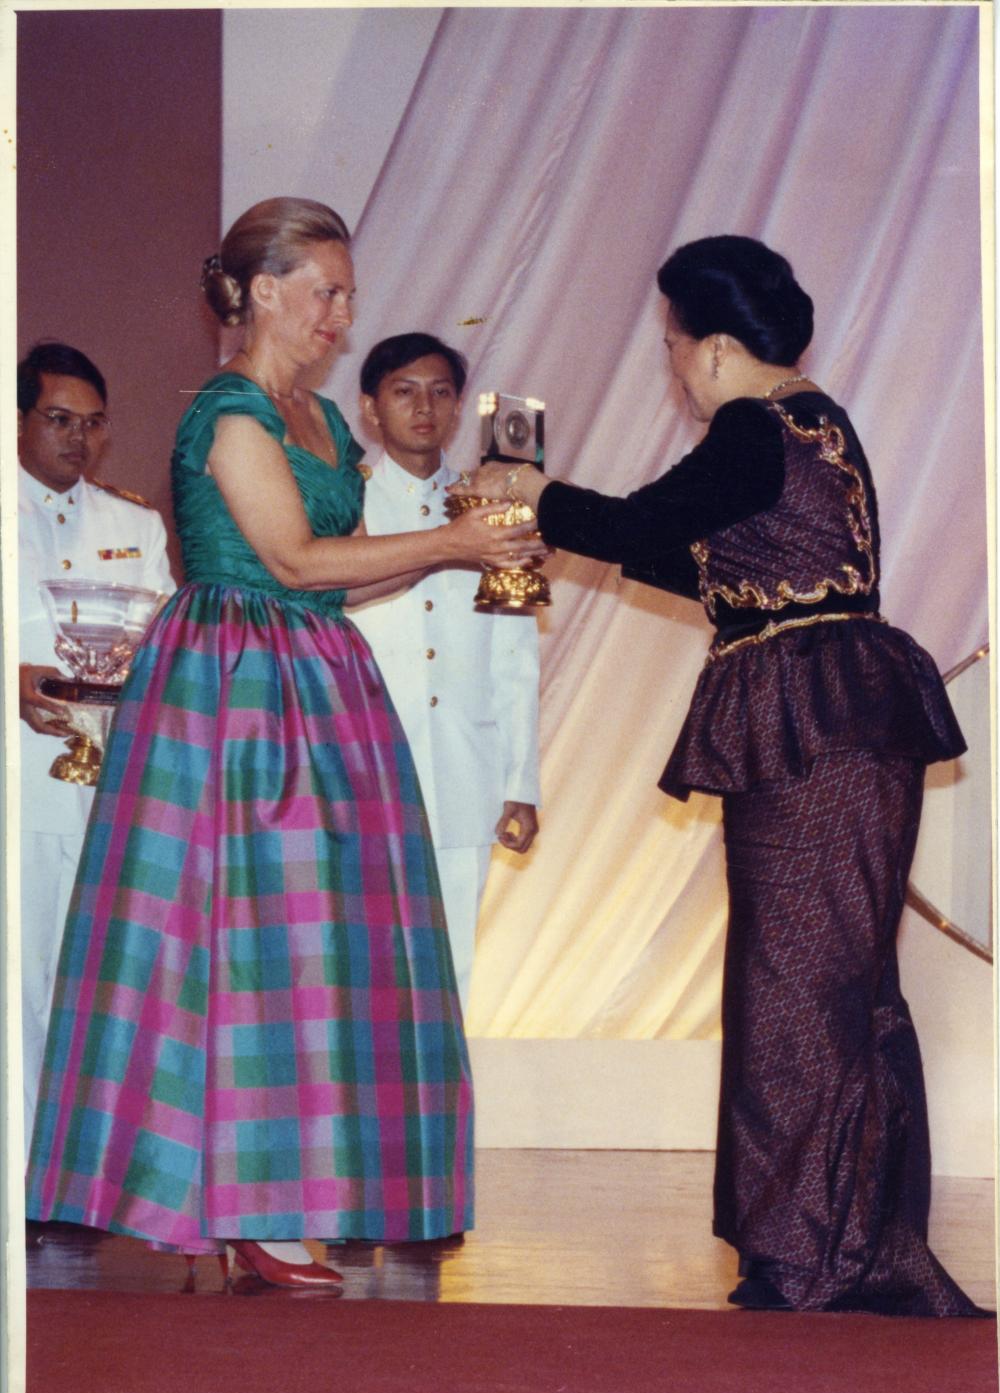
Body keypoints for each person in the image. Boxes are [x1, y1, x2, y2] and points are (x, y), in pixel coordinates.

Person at [460, 235, 986, 1317]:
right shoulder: (808, 423)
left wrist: (532, 494)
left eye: (669, 344)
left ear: (710, 349)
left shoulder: (753, 428)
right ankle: (849, 1246)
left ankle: (812, 1256)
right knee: (835, 986)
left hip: (811, 724)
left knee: (797, 989)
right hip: (838, 720)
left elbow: (643, 523)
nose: (671, 366)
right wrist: (552, 511)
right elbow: (690, 558)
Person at [25, 197, 537, 1290]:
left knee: (315, 950)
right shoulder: (231, 410)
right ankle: (235, 1205)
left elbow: (345, 569)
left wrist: (460, 551)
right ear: (262, 292)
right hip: (234, 683)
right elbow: (294, 560)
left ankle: (277, 1200)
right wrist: (449, 535)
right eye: (328, 293)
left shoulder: (314, 421)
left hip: (315, 674)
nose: (342, 316)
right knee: (234, 941)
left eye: (347, 295)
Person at [18, 342, 175, 1157]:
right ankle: (27, 1165)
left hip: (112, 786)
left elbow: (166, 645)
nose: (76, 439)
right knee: (24, 981)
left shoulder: (134, 523)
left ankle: (81, 1163)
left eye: (92, 424)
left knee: (101, 980)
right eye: (57, 420)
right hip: (19, 786)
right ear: (18, 419)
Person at [351, 332, 541, 1008]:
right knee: (365, 962)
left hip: (465, 767)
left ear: (461, 407)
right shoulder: (344, 506)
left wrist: (519, 781)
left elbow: (515, 655)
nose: (423, 407)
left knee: (452, 965)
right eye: (403, 391)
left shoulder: (491, 510)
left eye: (439, 392)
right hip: (363, 771)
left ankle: (440, 1112)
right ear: (371, 408)